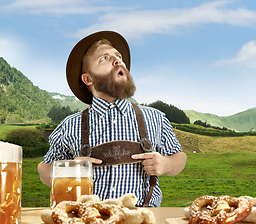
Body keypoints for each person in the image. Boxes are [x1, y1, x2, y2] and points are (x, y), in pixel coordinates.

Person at [37, 31, 187, 207]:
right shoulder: (70, 125)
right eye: (104, 58)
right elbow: (43, 171)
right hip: (89, 217)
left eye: (118, 56)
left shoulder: (155, 118)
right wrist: (71, 168)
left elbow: (180, 157)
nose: (117, 60)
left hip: (142, 218)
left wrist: (167, 164)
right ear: (88, 79)